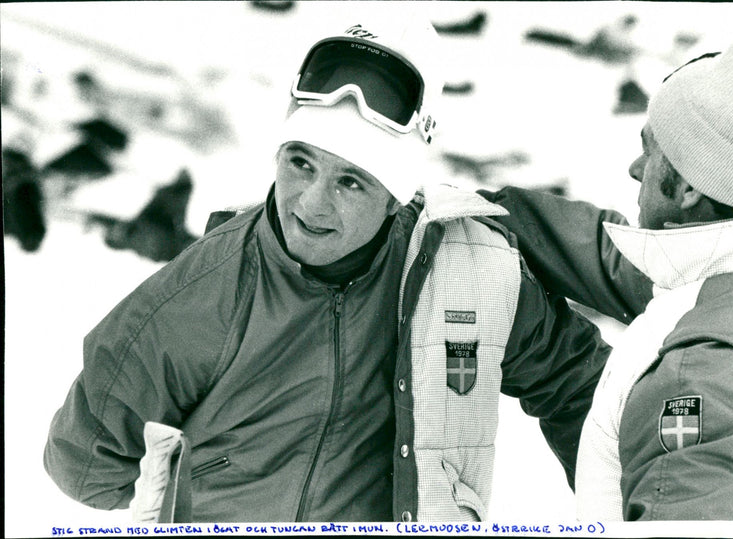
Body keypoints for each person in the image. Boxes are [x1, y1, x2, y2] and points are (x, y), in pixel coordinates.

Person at [44, 12, 610, 523]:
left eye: (350, 181)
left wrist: (636, 509)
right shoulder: (197, 295)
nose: (311, 203)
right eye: (300, 162)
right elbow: (83, 466)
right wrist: (204, 494)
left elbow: (581, 388)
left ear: (396, 196)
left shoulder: (468, 272)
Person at [481, 30, 733, 521]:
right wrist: (499, 213)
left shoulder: (699, 374)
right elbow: (629, 270)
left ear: (690, 187)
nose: (634, 169)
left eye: (650, 152)